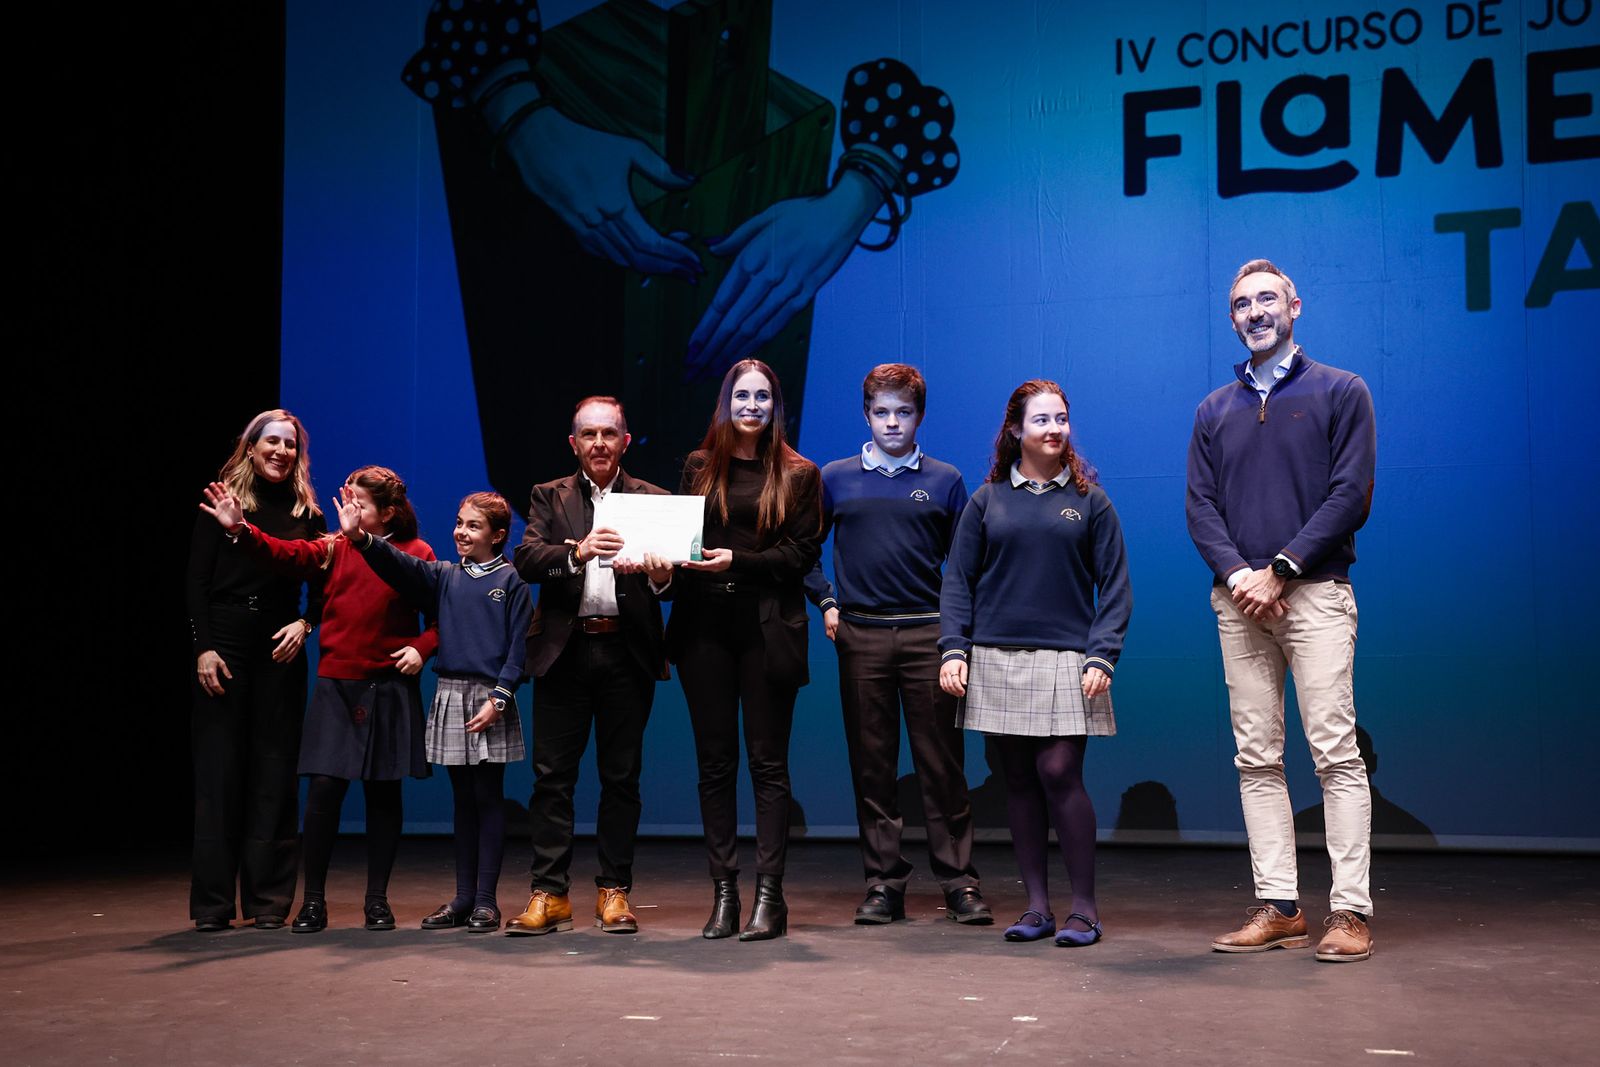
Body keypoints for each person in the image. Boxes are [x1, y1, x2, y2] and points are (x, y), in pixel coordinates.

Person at [1187, 258, 1378, 963]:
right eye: (1242, 303)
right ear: (1232, 318)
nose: (1255, 310)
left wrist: (1282, 569)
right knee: (1256, 757)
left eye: (1267, 298)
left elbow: (1350, 493)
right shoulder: (1213, 409)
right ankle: (1281, 905)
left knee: (1335, 753)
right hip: (1239, 600)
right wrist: (1241, 574)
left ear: (1295, 305)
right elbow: (1200, 507)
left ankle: (1351, 911)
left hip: (1316, 591)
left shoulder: (1340, 390)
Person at [200, 466, 439, 934]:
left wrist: (421, 647)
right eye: (346, 501)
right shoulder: (334, 548)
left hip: (387, 685)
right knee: (325, 792)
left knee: (383, 792)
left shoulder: (417, 552)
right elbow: (285, 553)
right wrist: (241, 529)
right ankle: (313, 902)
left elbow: (438, 616)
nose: (347, 511)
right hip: (337, 683)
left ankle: (376, 901)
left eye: (359, 505)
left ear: (387, 511)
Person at [939, 380, 1131, 948]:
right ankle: (1038, 907)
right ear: (1016, 431)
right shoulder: (988, 499)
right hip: (995, 657)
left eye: (1062, 419)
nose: (1054, 429)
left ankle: (1085, 910)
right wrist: (955, 648)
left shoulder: (1091, 502)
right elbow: (957, 582)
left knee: (1058, 774)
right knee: (1018, 782)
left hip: (1068, 659)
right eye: (1042, 419)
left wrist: (1103, 654)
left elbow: (1116, 589)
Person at [804, 363, 987, 925]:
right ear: (866, 414)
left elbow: (965, 566)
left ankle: (958, 882)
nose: (891, 422)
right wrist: (828, 602)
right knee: (873, 765)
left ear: (919, 416)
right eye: (881, 412)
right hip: (859, 635)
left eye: (903, 412)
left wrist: (957, 636)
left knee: (941, 765)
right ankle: (883, 883)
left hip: (929, 635)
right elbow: (802, 550)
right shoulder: (833, 477)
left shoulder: (945, 480)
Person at [668, 359, 824, 941]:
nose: (751, 406)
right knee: (714, 766)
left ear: (775, 405)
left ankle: (770, 896)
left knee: (767, 765)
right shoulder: (698, 466)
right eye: (741, 395)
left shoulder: (799, 474)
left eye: (762, 396)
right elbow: (682, 544)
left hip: (766, 630)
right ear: (726, 403)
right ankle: (725, 893)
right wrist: (664, 568)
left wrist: (743, 563)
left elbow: (801, 554)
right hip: (703, 628)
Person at [507, 397, 674, 937]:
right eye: (588, 435)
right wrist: (577, 552)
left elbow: (676, 580)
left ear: (626, 441)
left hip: (627, 652)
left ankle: (614, 891)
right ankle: (549, 893)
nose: (599, 443)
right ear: (573, 443)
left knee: (621, 779)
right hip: (565, 652)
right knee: (551, 778)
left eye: (609, 434)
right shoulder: (548, 496)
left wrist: (660, 575)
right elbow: (527, 558)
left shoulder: (654, 500)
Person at [353, 491, 534, 933]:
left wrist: (500, 698)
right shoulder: (446, 576)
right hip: (452, 693)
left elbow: (519, 649)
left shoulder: (512, 582)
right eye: (459, 523)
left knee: (488, 797)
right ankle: (463, 897)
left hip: (491, 697)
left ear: (497, 535)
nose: (461, 532)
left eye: (473, 526)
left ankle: (486, 902)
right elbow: (401, 565)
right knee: (462, 799)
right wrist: (361, 539)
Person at [186, 409, 325, 932]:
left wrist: (306, 624)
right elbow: (196, 582)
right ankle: (213, 906)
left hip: (279, 646)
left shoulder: (306, 510)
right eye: (271, 441)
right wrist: (204, 647)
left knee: (274, 772)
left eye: (290, 445)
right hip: (225, 643)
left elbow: (321, 583)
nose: (280, 451)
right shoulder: (222, 501)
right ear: (251, 447)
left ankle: (268, 903)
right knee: (219, 774)